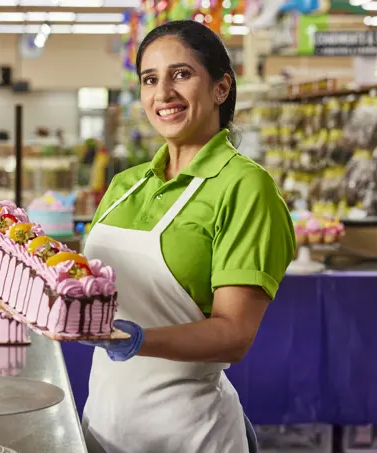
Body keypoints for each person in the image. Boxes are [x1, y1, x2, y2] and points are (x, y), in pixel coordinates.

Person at [80, 20, 295, 453]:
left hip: (190, 433)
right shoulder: (126, 185)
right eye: (150, 79)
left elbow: (234, 333)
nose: (163, 94)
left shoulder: (244, 187)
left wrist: (138, 340)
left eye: (182, 74)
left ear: (221, 88)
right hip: (103, 422)